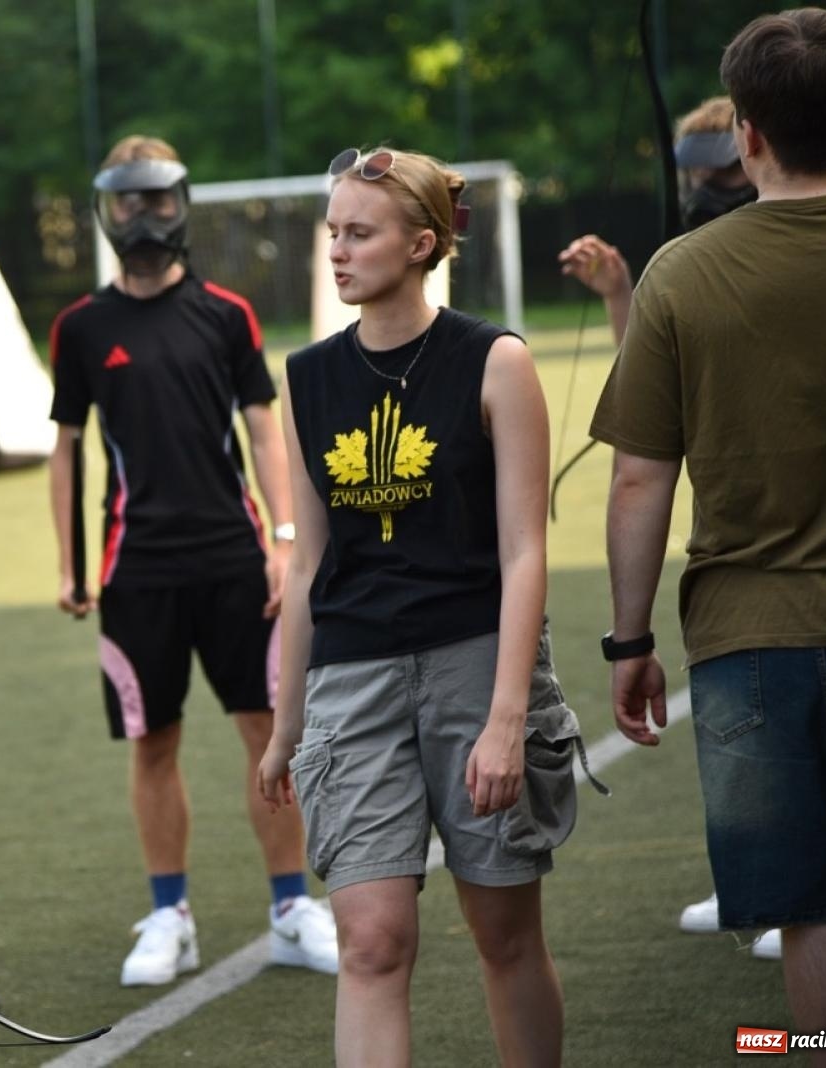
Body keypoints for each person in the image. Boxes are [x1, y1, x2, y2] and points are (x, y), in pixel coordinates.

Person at [592, 7, 826, 1055]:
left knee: (809, 907)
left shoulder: (680, 273)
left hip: (745, 647)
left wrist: (629, 641)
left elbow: (639, 479)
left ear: (748, 134)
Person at [259, 144, 586, 1065]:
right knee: (371, 942)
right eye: (332, 232)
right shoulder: (306, 377)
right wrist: (287, 727)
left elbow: (525, 552)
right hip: (351, 680)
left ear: (422, 244)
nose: (337, 251)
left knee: (505, 936)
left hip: (475, 665)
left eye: (359, 233)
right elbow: (308, 564)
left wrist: (506, 721)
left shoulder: (496, 360)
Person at [48, 134, 336, 988]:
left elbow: (264, 429)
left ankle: (291, 908)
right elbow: (66, 447)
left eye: (158, 201)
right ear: (108, 210)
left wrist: (283, 541)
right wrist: (69, 564)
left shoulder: (227, 314)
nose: (144, 217)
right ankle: (169, 913)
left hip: (235, 561)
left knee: (267, 732)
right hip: (135, 571)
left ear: (180, 204)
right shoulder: (81, 326)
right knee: (153, 742)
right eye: (127, 202)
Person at [556, 95, 775, 956]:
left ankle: (802, 899)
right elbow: (656, 391)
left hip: (802, 542)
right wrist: (623, 291)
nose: (702, 189)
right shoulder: (688, 269)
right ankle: (759, 879)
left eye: (719, 168)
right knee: (750, 736)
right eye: (692, 172)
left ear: (756, 149)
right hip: (735, 544)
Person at [558, 95, 759, 346]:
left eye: (726, 172)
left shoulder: (778, 255)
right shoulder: (689, 270)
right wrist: (618, 292)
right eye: (697, 174)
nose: (705, 189)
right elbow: (646, 363)